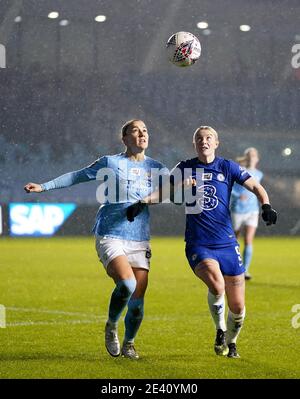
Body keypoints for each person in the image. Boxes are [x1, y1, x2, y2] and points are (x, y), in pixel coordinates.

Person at [127, 125, 277, 359]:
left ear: (216, 143)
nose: (204, 141)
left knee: (237, 306)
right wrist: (143, 202)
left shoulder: (227, 167)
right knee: (217, 285)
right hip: (199, 244)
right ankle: (220, 330)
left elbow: (256, 186)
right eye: (199, 138)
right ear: (194, 144)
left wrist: (266, 205)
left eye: (208, 138)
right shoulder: (185, 168)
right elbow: (163, 191)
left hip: (227, 244)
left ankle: (232, 343)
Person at [24, 119, 168, 360]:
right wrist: (43, 186)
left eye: (145, 130)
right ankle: (111, 325)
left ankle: (130, 343)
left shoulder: (157, 167)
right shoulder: (110, 162)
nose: (142, 134)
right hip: (110, 233)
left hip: (139, 238)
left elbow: (171, 190)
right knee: (127, 284)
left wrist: (185, 184)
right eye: (136, 130)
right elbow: (77, 176)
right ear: (124, 139)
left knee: (137, 301)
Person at [230, 148, 263, 280]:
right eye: (249, 155)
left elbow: (257, 189)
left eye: (254, 155)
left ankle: (245, 270)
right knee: (233, 240)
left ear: (257, 159)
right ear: (246, 157)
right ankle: (233, 267)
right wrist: (238, 195)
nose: (251, 157)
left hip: (253, 210)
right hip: (238, 209)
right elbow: (230, 187)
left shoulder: (259, 174)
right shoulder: (240, 170)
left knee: (248, 240)